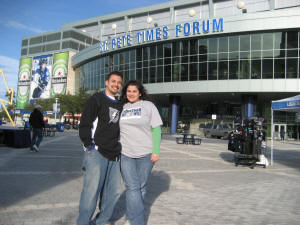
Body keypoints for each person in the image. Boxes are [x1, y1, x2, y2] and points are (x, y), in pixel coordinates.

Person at [77, 71, 123, 225]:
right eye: (113, 81)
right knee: (91, 193)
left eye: (119, 82)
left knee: (113, 192)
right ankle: (83, 222)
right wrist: (89, 145)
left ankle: (101, 221)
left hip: (115, 155)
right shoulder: (96, 99)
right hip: (97, 152)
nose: (116, 84)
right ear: (106, 82)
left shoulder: (120, 104)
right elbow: (85, 123)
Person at [119, 80, 163, 225]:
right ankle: (136, 221)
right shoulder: (122, 107)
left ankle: (130, 219)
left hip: (145, 153)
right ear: (125, 93)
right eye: (128, 91)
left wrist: (156, 151)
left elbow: (156, 129)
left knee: (141, 188)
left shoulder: (148, 106)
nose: (131, 94)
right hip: (125, 153)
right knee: (132, 187)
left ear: (139, 93)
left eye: (134, 91)